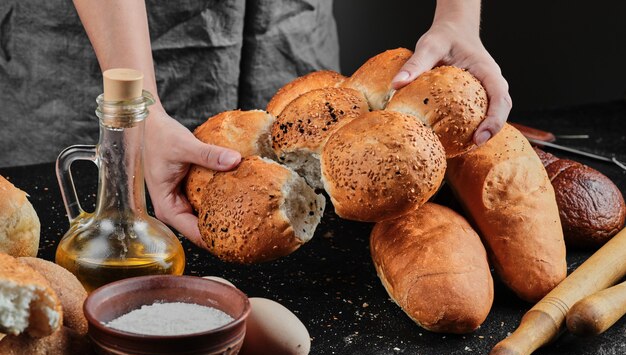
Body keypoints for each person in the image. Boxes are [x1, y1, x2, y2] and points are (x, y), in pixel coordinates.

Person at [51, 1, 517, 247]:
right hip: (112, 31)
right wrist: (139, 111)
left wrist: (458, 16)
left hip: (284, 20)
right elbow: (127, 112)